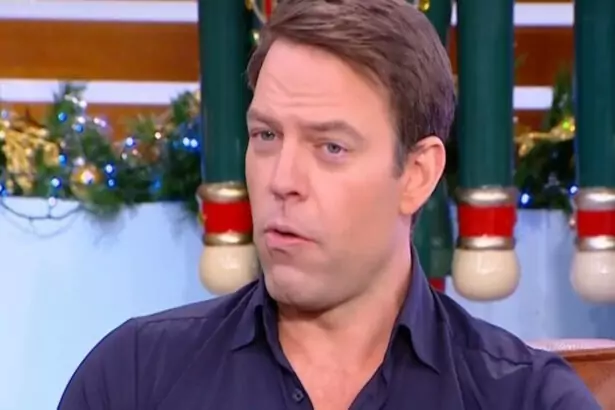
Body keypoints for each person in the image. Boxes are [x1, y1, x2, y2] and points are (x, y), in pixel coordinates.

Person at [58, 0, 599, 409]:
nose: (282, 180)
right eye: (266, 136)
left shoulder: (526, 398)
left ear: (416, 175)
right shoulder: (133, 379)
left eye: (331, 147)